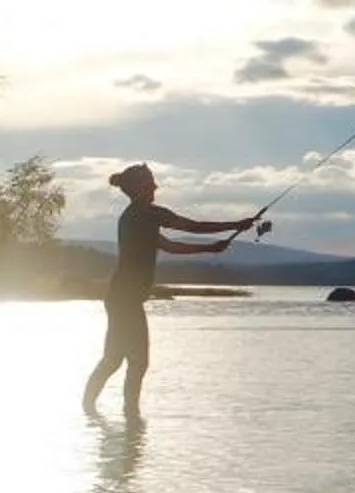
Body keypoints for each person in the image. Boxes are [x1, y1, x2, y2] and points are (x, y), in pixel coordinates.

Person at [82, 162, 258, 420]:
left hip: (121, 298)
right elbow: (192, 226)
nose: (156, 186)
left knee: (115, 359)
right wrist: (236, 225)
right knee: (135, 361)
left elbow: (168, 245)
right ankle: (128, 416)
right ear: (140, 188)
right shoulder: (147, 214)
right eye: (151, 182)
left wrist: (210, 248)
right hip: (125, 300)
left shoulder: (134, 216)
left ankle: (98, 413)